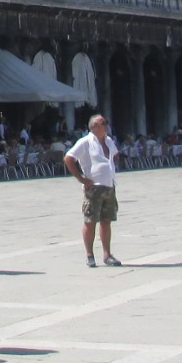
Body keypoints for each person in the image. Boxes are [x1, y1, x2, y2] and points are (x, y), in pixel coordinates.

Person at [63, 114, 121, 268]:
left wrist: (111, 168)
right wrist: (81, 178)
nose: (106, 125)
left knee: (106, 220)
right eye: (103, 122)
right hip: (93, 187)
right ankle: (89, 255)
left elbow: (115, 155)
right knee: (90, 221)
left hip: (109, 185)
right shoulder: (85, 142)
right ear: (94, 126)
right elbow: (68, 158)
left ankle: (107, 254)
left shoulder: (108, 141)